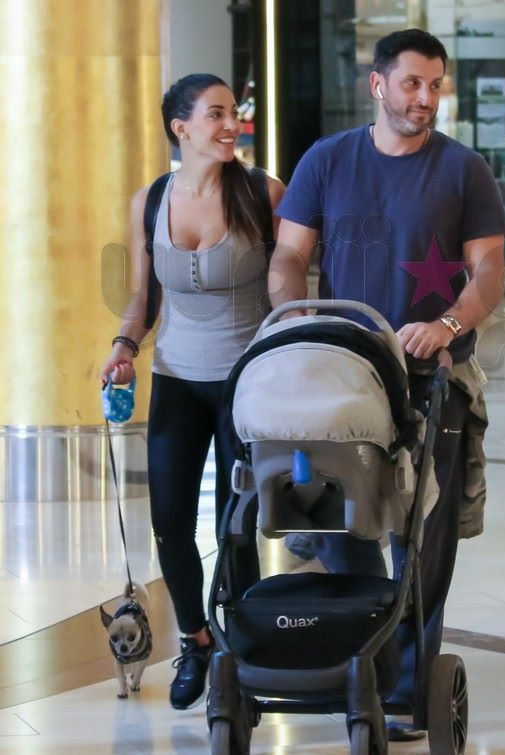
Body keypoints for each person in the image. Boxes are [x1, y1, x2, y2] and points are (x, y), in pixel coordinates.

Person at [269, 29, 505, 740]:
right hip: (345, 376)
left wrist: (448, 321)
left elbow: (488, 271)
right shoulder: (326, 160)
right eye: (412, 83)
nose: (425, 98)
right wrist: (295, 312)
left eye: (435, 85)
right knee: (340, 520)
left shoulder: (463, 170)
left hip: (434, 376)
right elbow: (288, 254)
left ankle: (407, 688)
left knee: (425, 537)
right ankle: (360, 665)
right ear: (378, 86)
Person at [100, 74, 284, 710]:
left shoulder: (263, 192)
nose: (231, 124)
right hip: (176, 380)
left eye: (233, 112)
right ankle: (196, 640)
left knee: (239, 524)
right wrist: (124, 347)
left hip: (247, 382)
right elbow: (142, 298)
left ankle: (246, 649)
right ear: (181, 128)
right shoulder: (152, 200)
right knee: (170, 523)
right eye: (216, 114)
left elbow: (290, 286)